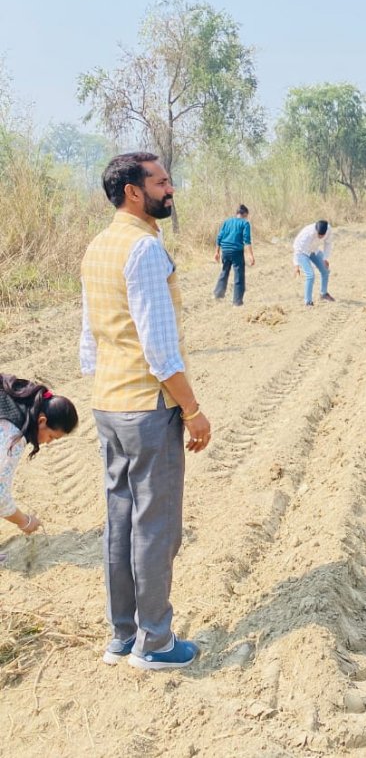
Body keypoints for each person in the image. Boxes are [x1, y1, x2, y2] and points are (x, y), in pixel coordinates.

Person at [81, 152, 212, 671]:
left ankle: (122, 635)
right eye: (160, 181)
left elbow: (89, 337)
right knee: (155, 525)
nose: (170, 188)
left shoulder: (98, 247)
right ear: (134, 192)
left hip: (108, 403)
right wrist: (193, 408)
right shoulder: (144, 249)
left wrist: (109, 382)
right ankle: (155, 643)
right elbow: (159, 348)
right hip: (147, 407)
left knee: (120, 521)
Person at [1, 375, 78, 535]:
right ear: (42, 421)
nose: (49, 442)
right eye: (51, 436)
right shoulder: (12, 436)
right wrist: (25, 521)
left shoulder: (13, 399)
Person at [214, 204, 255, 306]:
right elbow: (247, 240)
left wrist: (217, 252)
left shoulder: (227, 222)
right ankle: (237, 301)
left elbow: (219, 237)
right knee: (239, 275)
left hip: (225, 251)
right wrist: (251, 255)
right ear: (245, 214)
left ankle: (218, 294)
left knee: (224, 271)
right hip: (236, 252)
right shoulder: (245, 223)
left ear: (237, 213)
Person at [293, 220, 335, 306]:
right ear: (316, 229)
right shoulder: (307, 233)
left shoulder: (329, 230)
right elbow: (297, 249)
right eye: (319, 234)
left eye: (322, 235)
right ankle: (308, 302)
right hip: (302, 253)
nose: (320, 236)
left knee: (325, 270)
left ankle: (323, 294)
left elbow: (328, 243)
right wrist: (296, 265)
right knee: (310, 275)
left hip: (314, 250)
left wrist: (325, 258)